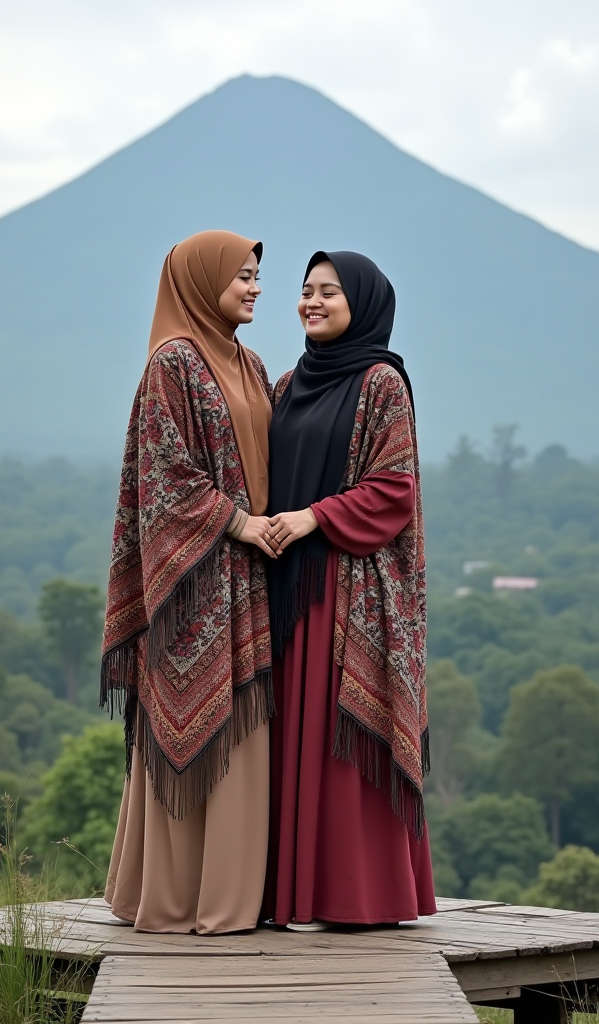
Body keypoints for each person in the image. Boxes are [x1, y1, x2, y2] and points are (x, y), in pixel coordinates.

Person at [101, 230, 277, 934]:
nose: (256, 286)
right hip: (194, 584)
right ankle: (173, 897)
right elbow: (164, 473)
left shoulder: (251, 363)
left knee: (245, 728)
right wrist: (238, 525)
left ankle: (233, 895)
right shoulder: (173, 363)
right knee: (194, 727)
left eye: (259, 274)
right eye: (242, 275)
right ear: (202, 282)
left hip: (253, 577)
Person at [262, 250, 436, 929]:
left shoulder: (381, 383)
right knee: (287, 738)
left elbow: (394, 490)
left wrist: (313, 517)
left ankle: (355, 896)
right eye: (306, 291)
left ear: (361, 302)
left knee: (335, 739)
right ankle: (288, 892)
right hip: (286, 585)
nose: (312, 302)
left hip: (345, 590)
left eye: (329, 292)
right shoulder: (287, 384)